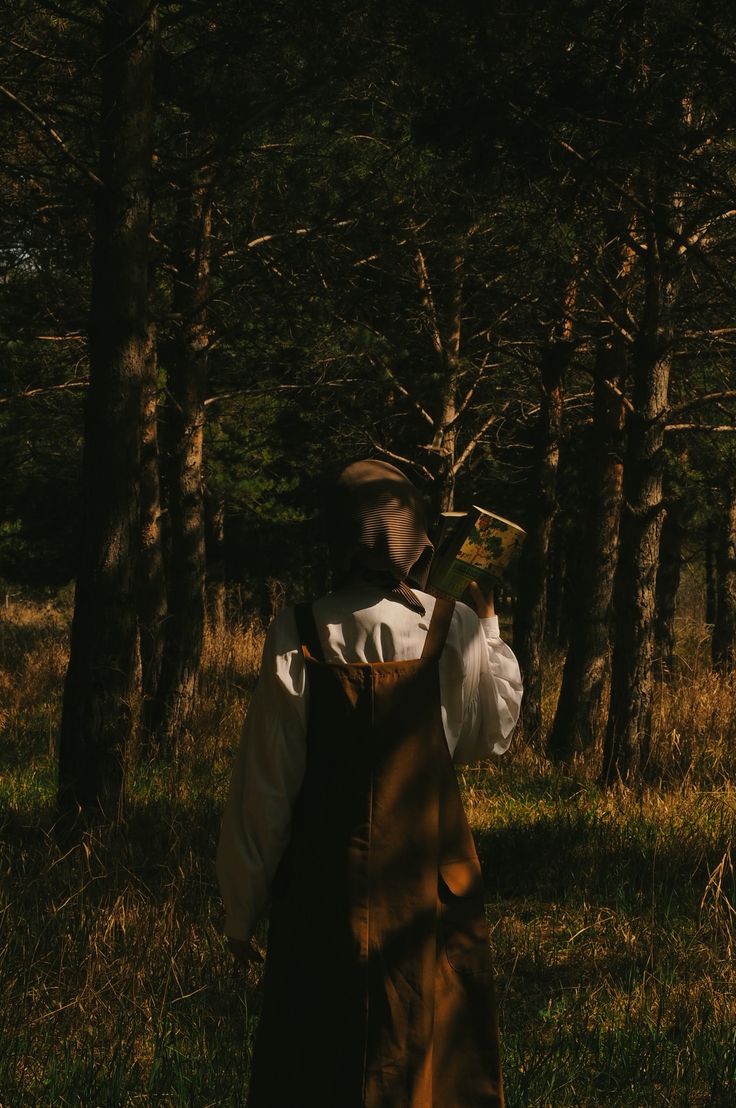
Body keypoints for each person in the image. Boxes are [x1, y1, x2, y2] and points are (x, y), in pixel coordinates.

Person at [217, 459, 523, 1108]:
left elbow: (265, 785)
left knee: (319, 1062)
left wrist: (240, 909)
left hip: (326, 894)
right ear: (419, 538)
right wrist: (488, 623)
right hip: (432, 891)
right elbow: (488, 738)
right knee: (433, 1069)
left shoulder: (301, 631)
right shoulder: (454, 625)